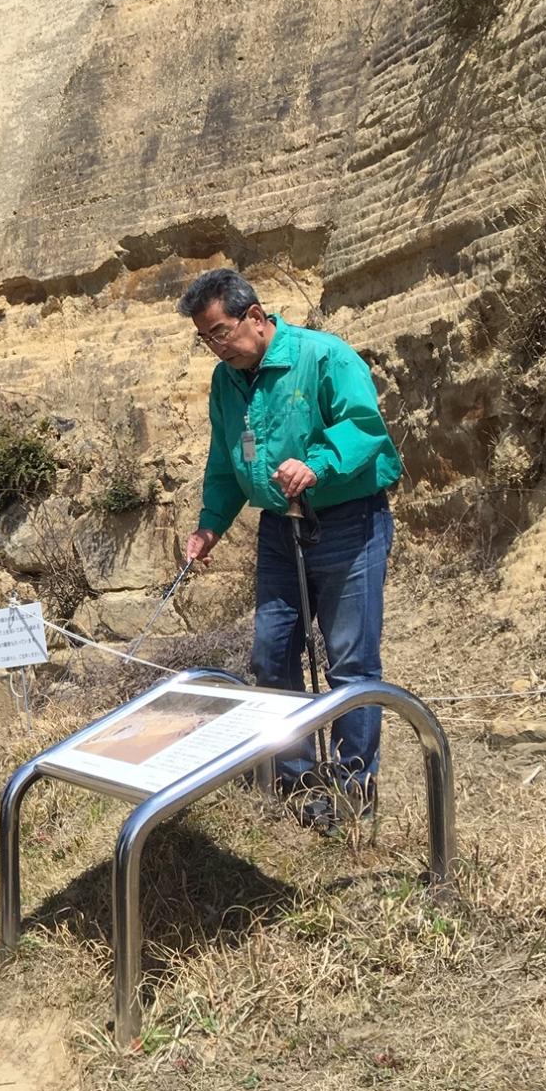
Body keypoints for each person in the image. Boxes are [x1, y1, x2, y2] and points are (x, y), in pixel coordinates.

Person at [179, 268, 403, 831]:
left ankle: (354, 792)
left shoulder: (324, 357)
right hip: (281, 528)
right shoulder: (225, 381)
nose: (215, 346)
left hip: (349, 521)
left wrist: (318, 463)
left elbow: (363, 425)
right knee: (272, 655)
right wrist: (210, 527)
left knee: (350, 662)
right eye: (205, 338)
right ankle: (300, 780)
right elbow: (225, 461)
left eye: (220, 332)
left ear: (255, 317)